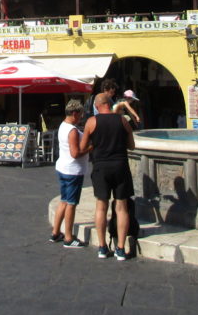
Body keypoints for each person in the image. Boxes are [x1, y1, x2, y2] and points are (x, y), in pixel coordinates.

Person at [80, 79, 135, 261]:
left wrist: (95, 145)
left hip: (101, 167)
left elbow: (83, 147)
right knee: (121, 207)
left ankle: (103, 247)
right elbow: (132, 146)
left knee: (101, 206)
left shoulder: (91, 122)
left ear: (97, 106)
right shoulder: (122, 120)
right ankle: (121, 248)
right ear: (109, 104)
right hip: (120, 165)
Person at [49, 99, 90, 248]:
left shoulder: (63, 125)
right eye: (80, 114)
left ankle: (55, 232)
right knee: (71, 204)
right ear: (74, 113)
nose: (81, 117)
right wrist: (91, 148)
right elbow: (75, 153)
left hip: (63, 168)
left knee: (64, 201)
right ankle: (68, 237)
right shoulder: (72, 131)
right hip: (72, 171)